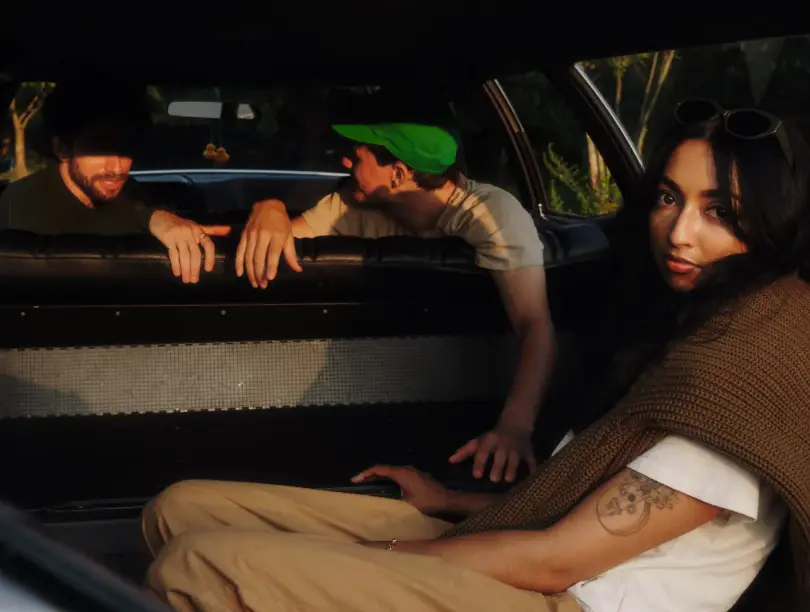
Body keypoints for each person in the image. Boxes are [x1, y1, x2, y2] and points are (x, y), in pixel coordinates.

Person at [142, 100, 810, 612]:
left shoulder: (749, 369)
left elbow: (555, 562)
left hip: (563, 599)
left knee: (198, 568)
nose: (679, 233)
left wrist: (377, 554)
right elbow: (573, 512)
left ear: (774, 219)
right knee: (178, 510)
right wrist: (450, 501)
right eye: (668, 198)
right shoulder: (698, 322)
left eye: (719, 211)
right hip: (520, 543)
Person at [235, 122, 554, 482]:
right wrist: (270, 208)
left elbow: (535, 324)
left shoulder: (492, 215)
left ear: (398, 174)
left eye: (357, 158)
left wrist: (514, 428)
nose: (345, 163)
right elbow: (275, 240)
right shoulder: (349, 205)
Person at [0, 79, 230, 284]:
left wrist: (157, 217)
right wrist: (151, 218)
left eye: (126, 148)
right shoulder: (20, 204)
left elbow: (137, 208)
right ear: (62, 149)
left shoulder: (135, 195)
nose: (117, 169)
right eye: (99, 148)